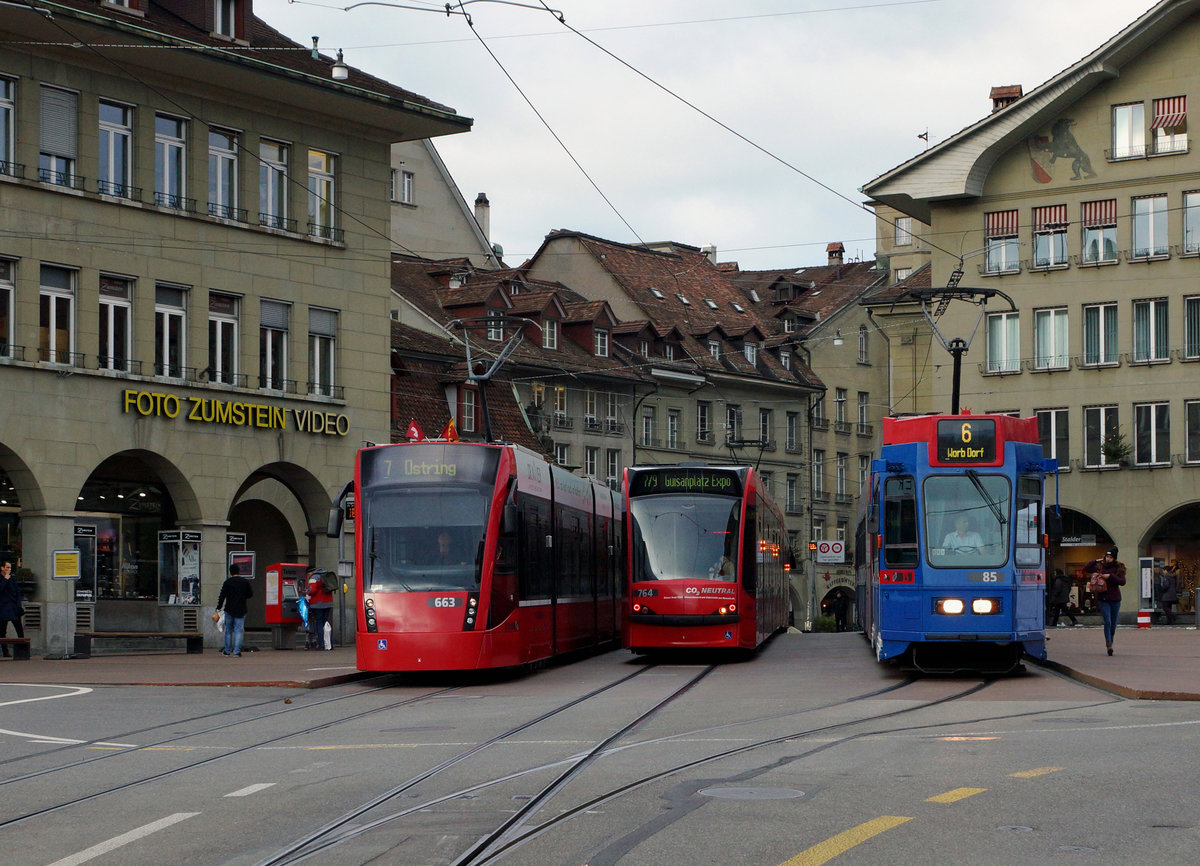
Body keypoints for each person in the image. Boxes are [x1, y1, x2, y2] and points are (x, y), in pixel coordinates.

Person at [1083, 546, 1126, 655]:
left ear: (1114, 558)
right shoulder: (1100, 567)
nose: (1108, 559)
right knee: (1107, 621)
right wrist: (1095, 560)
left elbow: (1122, 581)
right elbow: (1087, 568)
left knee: (1113, 623)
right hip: (1103, 598)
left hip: (1115, 599)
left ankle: (1111, 638)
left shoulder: (1119, 568)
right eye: (1107, 556)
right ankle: (1108, 644)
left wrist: (1110, 576)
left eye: (1110, 557)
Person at [216, 563, 254, 657]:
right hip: (241, 609)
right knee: (238, 630)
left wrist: (219, 607)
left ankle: (227, 651)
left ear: (230, 572)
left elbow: (222, 595)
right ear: (239, 571)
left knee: (228, 630)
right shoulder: (245, 582)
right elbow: (250, 594)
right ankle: (236, 652)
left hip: (229, 609)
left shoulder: (227, 582)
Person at [305, 565, 335, 650]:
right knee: (327, 624)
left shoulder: (314, 577)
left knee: (319, 623)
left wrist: (307, 592)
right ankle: (329, 644)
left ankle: (321, 644)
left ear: (310, 572)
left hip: (318, 603)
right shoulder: (326, 575)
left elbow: (312, 590)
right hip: (328, 602)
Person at [0, 560, 24, 657]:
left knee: (19, 629)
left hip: (13, 607)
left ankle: (22, 650)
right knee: (2, 630)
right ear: (2, 568)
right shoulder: (2, 578)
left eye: (10, 567)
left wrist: (19, 605)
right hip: (3, 608)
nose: (9, 569)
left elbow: (17, 592)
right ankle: (5, 651)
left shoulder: (12, 579)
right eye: (7, 567)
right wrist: (5, 579)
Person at [1159, 560, 1179, 625]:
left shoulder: (1166, 577)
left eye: (1163, 570)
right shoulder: (1173, 576)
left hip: (1167, 595)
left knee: (1165, 607)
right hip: (1172, 594)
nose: (1163, 572)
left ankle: (1173, 616)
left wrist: (1162, 589)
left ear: (1166, 571)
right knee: (1169, 607)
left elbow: (1166, 586)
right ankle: (1169, 621)